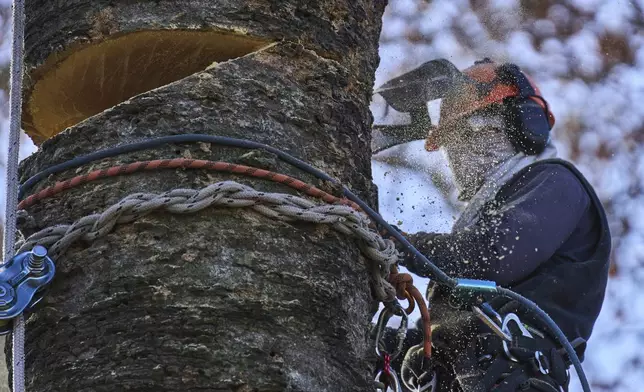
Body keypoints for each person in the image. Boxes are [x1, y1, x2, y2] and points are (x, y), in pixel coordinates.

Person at [384, 59, 612, 392]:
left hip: (515, 375)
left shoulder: (556, 184)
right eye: (454, 143)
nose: (463, 152)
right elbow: (446, 325)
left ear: (524, 128)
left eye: (477, 132)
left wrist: (398, 242)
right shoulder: (481, 216)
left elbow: (496, 254)